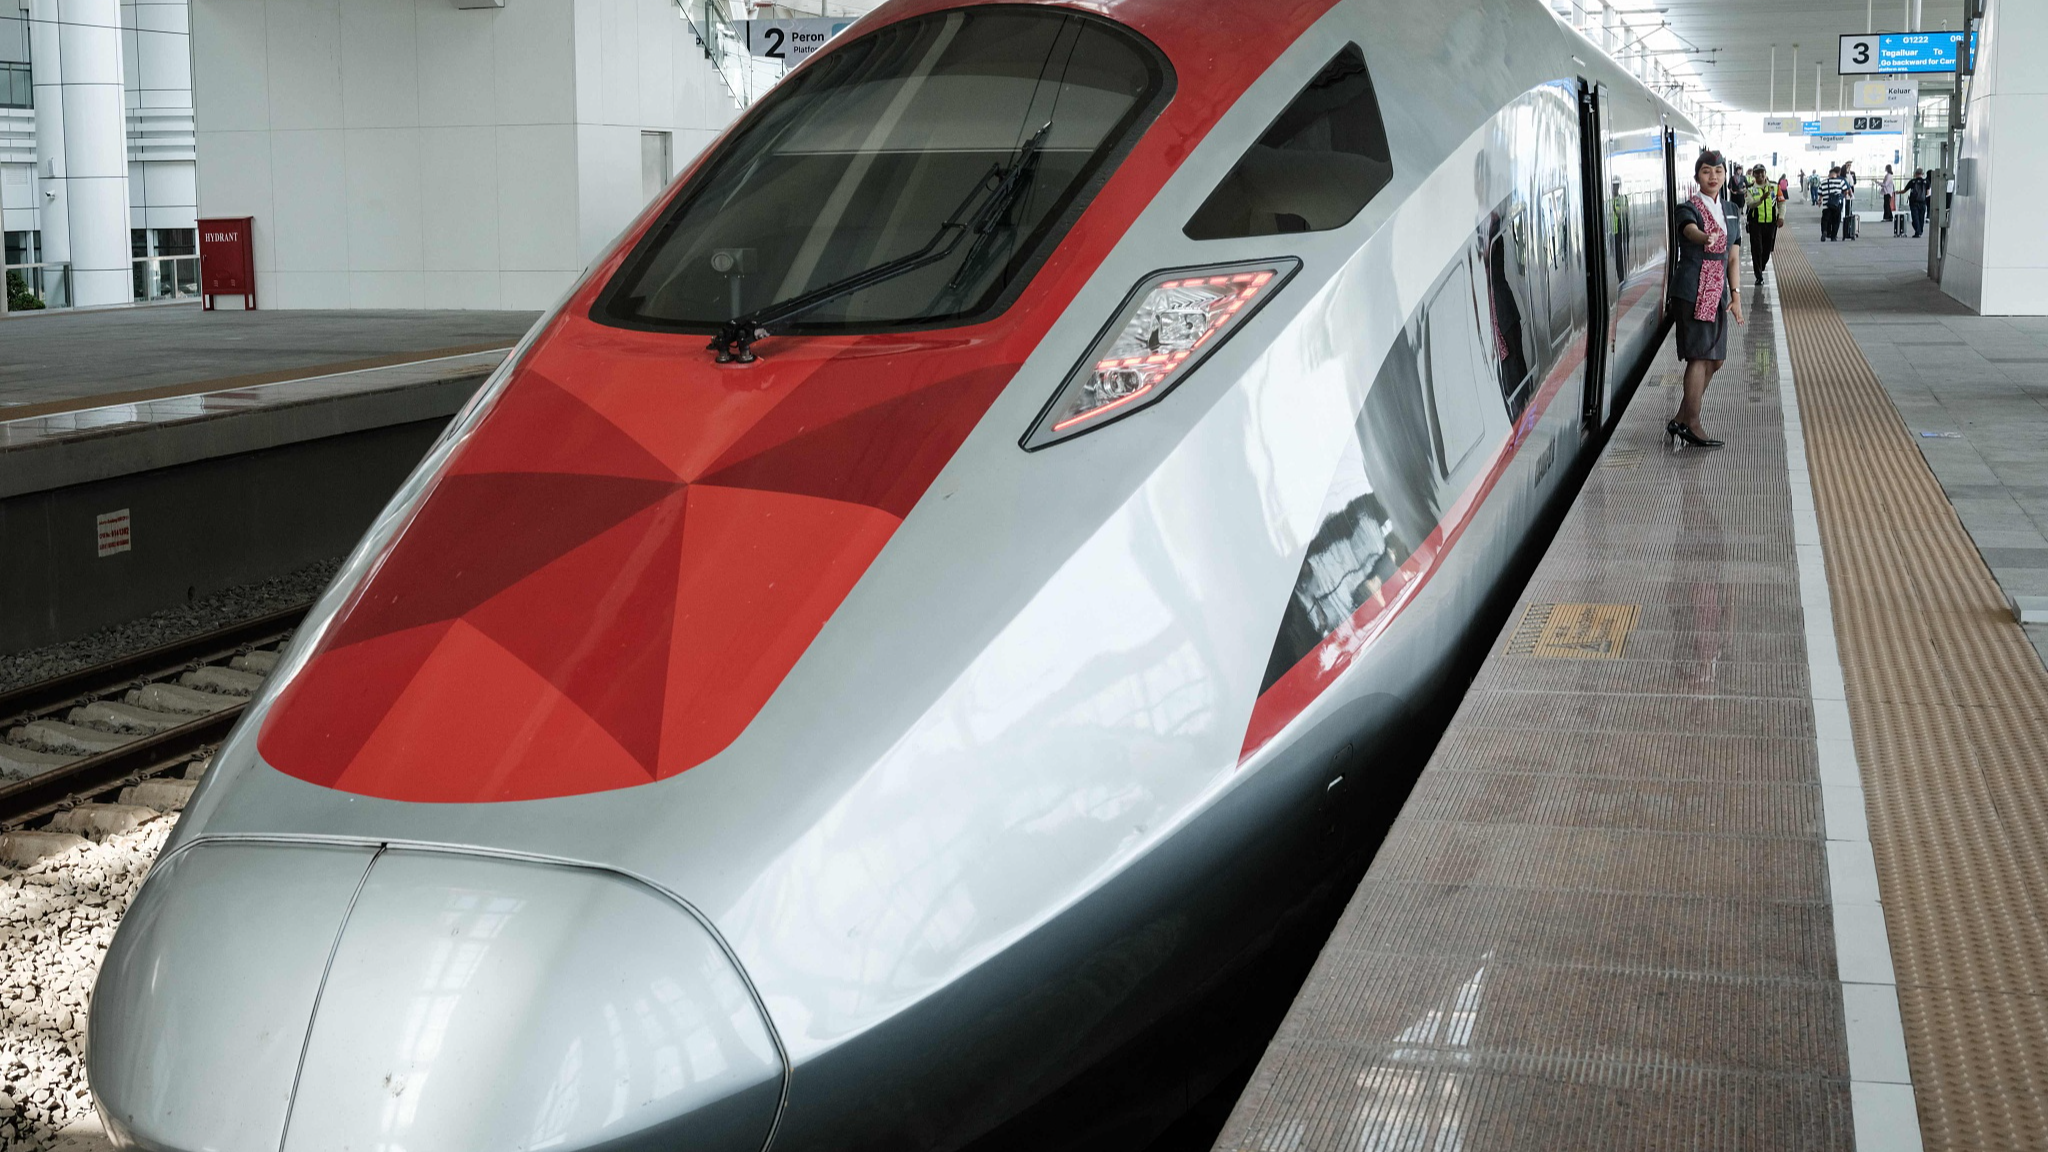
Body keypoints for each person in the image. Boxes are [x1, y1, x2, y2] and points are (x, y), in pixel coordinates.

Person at [1668, 150, 1743, 449]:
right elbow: (1689, 231)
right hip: (1692, 289)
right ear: (1697, 176)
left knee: (1717, 358)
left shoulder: (1732, 209)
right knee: (1700, 356)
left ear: (1725, 175)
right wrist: (1704, 237)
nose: (1713, 177)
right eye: (1706, 171)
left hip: (1717, 292)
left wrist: (1736, 295)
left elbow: (1734, 257)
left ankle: (1681, 418)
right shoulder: (1688, 207)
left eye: (1718, 171)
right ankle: (1693, 422)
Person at [1745, 164, 1783, 284]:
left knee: (1767, 249)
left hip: (1771, 223)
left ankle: (1761, 266)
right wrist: (1761, 199)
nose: (1760, 175)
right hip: (1755, 223)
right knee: (1756, 249)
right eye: (1757, 173)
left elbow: (1782, 203)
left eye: (1762, 172)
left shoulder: (1774, 186)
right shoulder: (1750, 188)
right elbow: (1750, 204)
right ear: (1753, 174)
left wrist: (1781, 217)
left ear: (1765, 173)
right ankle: (1758, 276)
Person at [1819, 166, 1847, 240]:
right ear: (1836, 175)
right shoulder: (1841, 181)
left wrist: (1819, 201)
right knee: (1836, 221)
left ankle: (1824, 231)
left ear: (1829, 175)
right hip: (1836, 205)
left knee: (1825, 220)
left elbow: (1820, 194)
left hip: (1826, 205)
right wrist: (1841, 197)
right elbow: (1845, 191)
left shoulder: (1823, 182)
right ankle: (1833, 237)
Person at [1907, 168, 1932, 238]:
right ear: (1922, 174)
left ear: (1915, 173)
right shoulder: (1926, 182)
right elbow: (1928, 193)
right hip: (1923, 202)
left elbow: (1904, 190)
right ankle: (1920, 231)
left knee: (1915, 217)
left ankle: (1918, 232)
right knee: (1921, 218)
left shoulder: (1912, 181)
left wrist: (1897, 192)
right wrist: (1922, 196)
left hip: (1913, 202)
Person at [1882, 164, 1900, 235]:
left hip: (1887, 192)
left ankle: (1887, 216)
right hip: (1888, 191)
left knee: (1886, 204)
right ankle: (1889, 216)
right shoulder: (1889, 176)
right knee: (1887, 204)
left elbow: (1885, 184)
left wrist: (1878, 183)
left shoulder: (1888, 176)